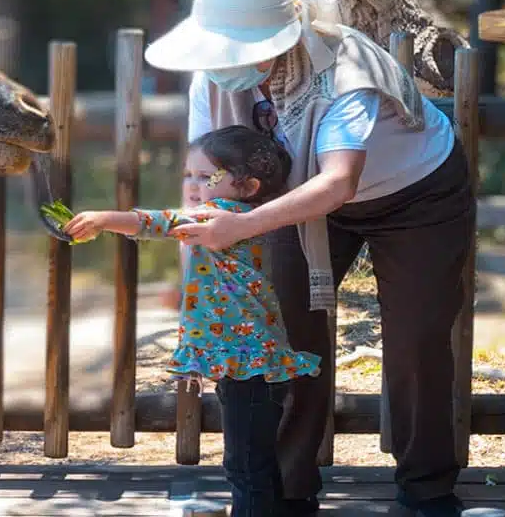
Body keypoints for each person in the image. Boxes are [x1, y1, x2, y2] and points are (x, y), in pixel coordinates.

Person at [140, 0, 475, 517]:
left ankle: (427, 492)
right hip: (287, 204)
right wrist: (195, 283)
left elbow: (338, 180)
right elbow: (205, 183)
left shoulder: (344, 70)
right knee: (283, 333)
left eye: (235, 50)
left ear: (278, 38)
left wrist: (243, 226)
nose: (223, 64)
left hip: (416, 194)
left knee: (416, 338)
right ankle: (289, 494)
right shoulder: (212, 80)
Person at [65, 125, 321, 517]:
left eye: (207, 177)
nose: (193, 184)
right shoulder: (242, 215)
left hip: (247, 364)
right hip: (247, 363)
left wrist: (103, 219)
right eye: (189, 174)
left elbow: (159, 222)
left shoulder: (220, 215)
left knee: (245, 466)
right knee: (255, 462)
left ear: (247, 187)